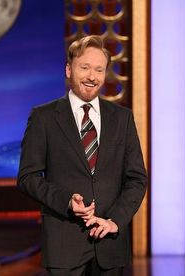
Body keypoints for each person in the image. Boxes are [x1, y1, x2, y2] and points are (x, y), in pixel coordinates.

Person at [17, 35, 147, 276]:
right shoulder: (43, 118)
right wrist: (66, 201)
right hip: (63, 245)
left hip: (110, 244)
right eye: (84, 67)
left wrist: (115, 221)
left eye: (99, 69)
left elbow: (137, 179)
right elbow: (28, 177)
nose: (91, 76)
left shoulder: (122, 118)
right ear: (68, 70)